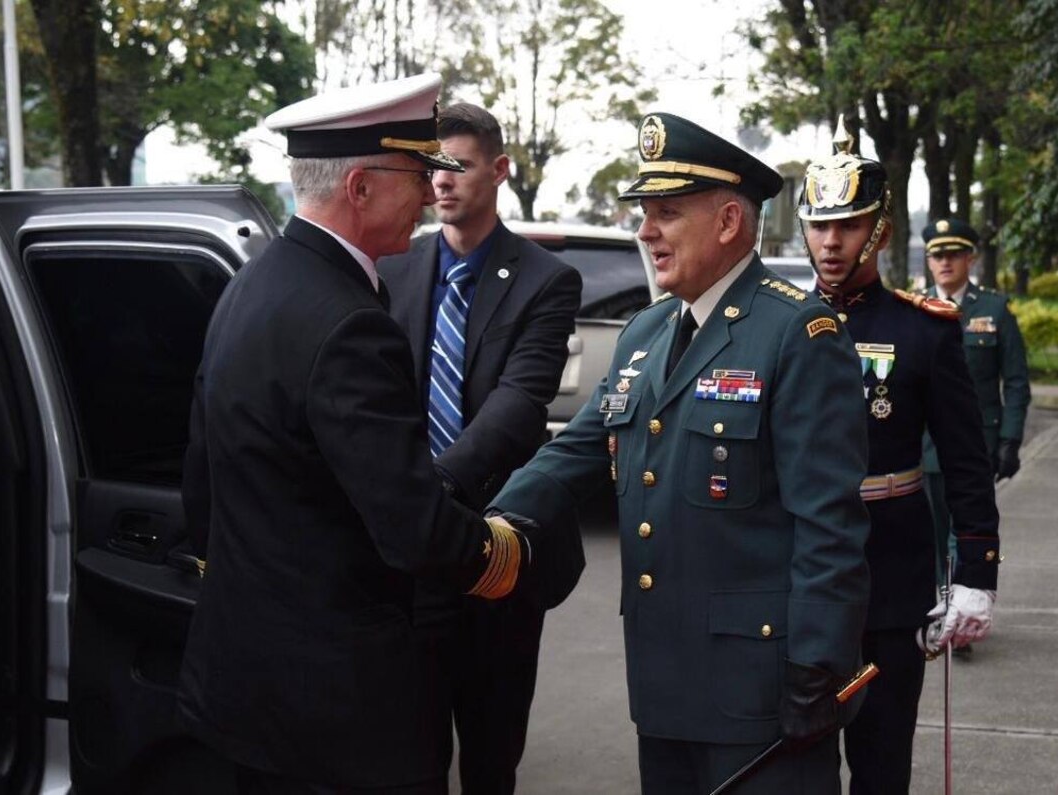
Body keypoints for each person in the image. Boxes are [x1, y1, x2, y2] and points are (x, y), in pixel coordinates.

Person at [489, 112, 872, 794]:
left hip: (762, 694)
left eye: (666, 212)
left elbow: (830, 526)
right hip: (664, 684)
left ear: (728, 221)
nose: (645, 231)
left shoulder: (799, 333)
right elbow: (574, 451)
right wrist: (483, 523)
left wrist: (818, 665)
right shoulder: (646, 331)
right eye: (643, 212)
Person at [177, 74, 535, 794]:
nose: (433, 192)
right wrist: (512, 552)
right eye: (419, 173)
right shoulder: (348, 322)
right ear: (362, 186)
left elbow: (203, 487)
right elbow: (412, 528)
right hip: (339, 718)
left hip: (247, 692)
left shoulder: (254, 283)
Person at [378, 102, 583, 794]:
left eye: (459, 166)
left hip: (495, 552)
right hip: (410, 561)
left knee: (493, 761)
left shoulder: (544, 279)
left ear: (498, 171)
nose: (441, 182)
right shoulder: (395, 268)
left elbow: (520, 407)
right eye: (433, 167)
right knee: (412, 753)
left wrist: (431, 488)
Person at [798, 119, 1001, 794]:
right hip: (795, 581)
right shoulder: (777, 325)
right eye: (820, 225)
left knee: (882, 764)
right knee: (799, 765)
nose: (831, 242)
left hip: (890, 578)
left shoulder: (924, 330)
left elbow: (967, 462)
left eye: (849, 225)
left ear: (880, 229)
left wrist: (976, 571)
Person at [919, 218, 1030, 605]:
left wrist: (1011, 440)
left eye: (953, 254)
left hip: (978, 445)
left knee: (965, 531)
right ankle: (941, 601)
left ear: (971, 259)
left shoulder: (994, 310)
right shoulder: (913, 309)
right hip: (923, 447)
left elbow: (1015, 381)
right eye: (937, 255)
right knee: (931, 533)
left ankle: (957, 606)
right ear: (929, 262)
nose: (945, 262)